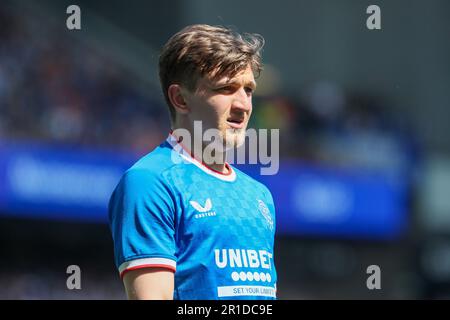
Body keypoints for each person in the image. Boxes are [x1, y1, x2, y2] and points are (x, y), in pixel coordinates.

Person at [108, 24, 277, 300]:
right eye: (226, 88)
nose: (243, 105)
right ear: (180, 98)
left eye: (248, 90)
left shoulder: (259, 195)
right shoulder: (151, 182)